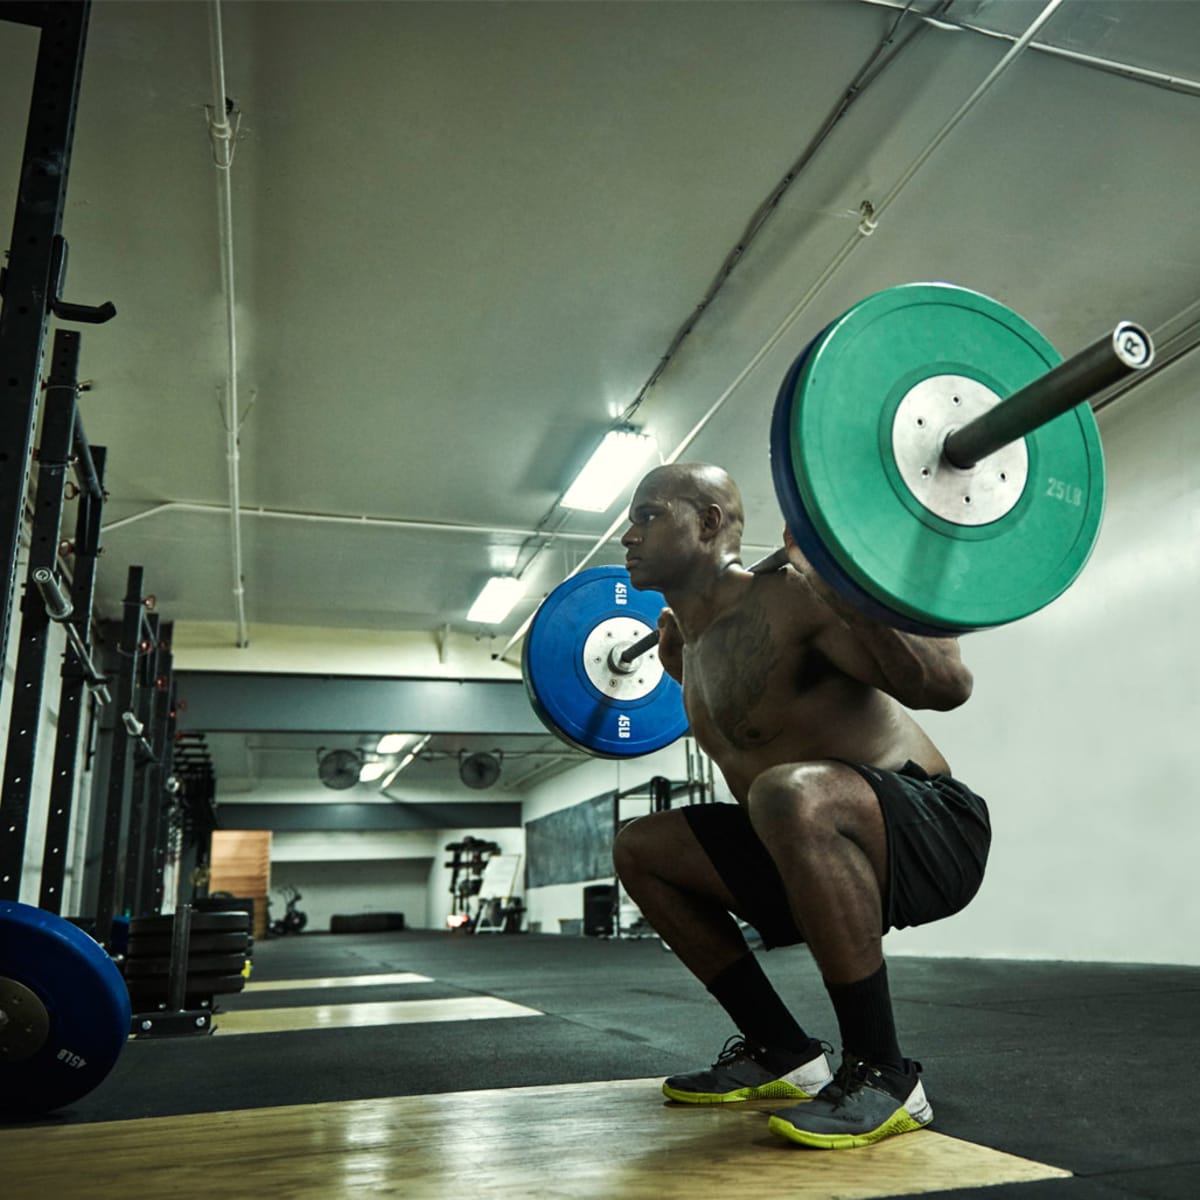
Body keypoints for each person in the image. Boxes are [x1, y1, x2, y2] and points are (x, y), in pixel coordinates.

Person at [613, 462, 990, 1150]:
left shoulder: (790, 594)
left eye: (647, 516)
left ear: (708, 522)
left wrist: (834, 582)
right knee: (641, 846)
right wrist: (679, 665)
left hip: (930, 831)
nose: (628, 536)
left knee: (786, 791)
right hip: (803, 840)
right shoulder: (691, 647)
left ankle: (885, 1073)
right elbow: (753, 738)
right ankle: (780, 1051)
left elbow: (947, 684)